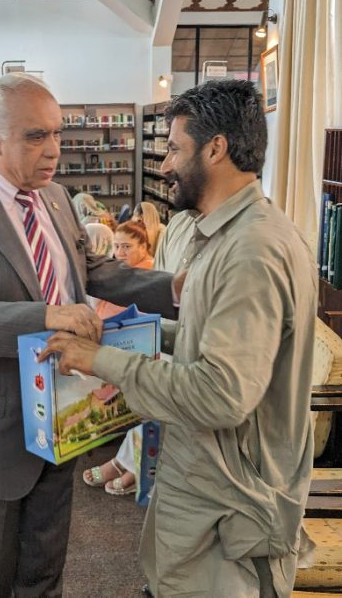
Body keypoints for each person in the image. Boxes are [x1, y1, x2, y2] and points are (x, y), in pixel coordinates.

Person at [42, 79, 317, 598]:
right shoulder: (233, 235)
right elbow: (204, 339)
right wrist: (128, 338)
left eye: (173, 148)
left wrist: (103, 360)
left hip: (230, 516)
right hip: (210, 496)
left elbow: (220, 394)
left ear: (216, 149)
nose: (165, 164)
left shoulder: (251, 252)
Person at [0, 73, 179, 598]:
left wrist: (174, 288)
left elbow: (95, 271)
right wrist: (48, 315)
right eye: (36, 136)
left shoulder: (55, 196)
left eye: (57, 133)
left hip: (61, 419)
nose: (54, 149)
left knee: (44, 575)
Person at [84, 213, 196, 497]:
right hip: (161, 339)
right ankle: (130, 462)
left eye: (127, 246)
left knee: (155, 392)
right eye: (117, 246)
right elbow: (159, 285)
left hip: (180, 346)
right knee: (151, 391)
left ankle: (129, 463)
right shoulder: (179, 224)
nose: (120, 252)